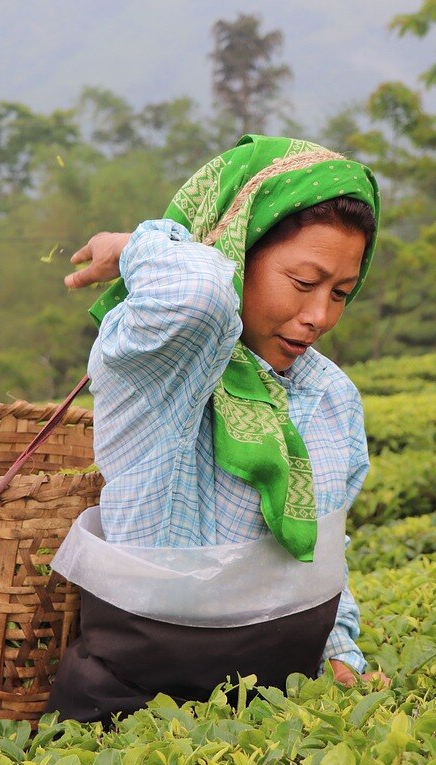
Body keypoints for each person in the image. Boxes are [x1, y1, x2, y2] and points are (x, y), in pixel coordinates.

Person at [44, 135, 389, 725]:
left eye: (340, 294)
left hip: (270, 721)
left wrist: (339, 652)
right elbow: (199, 296)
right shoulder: (161, 369)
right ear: (239, 250)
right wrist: (135, 247)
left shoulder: (330, 399)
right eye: (303, 283)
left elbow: (319, 555)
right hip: (128, 724)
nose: (319, 316)